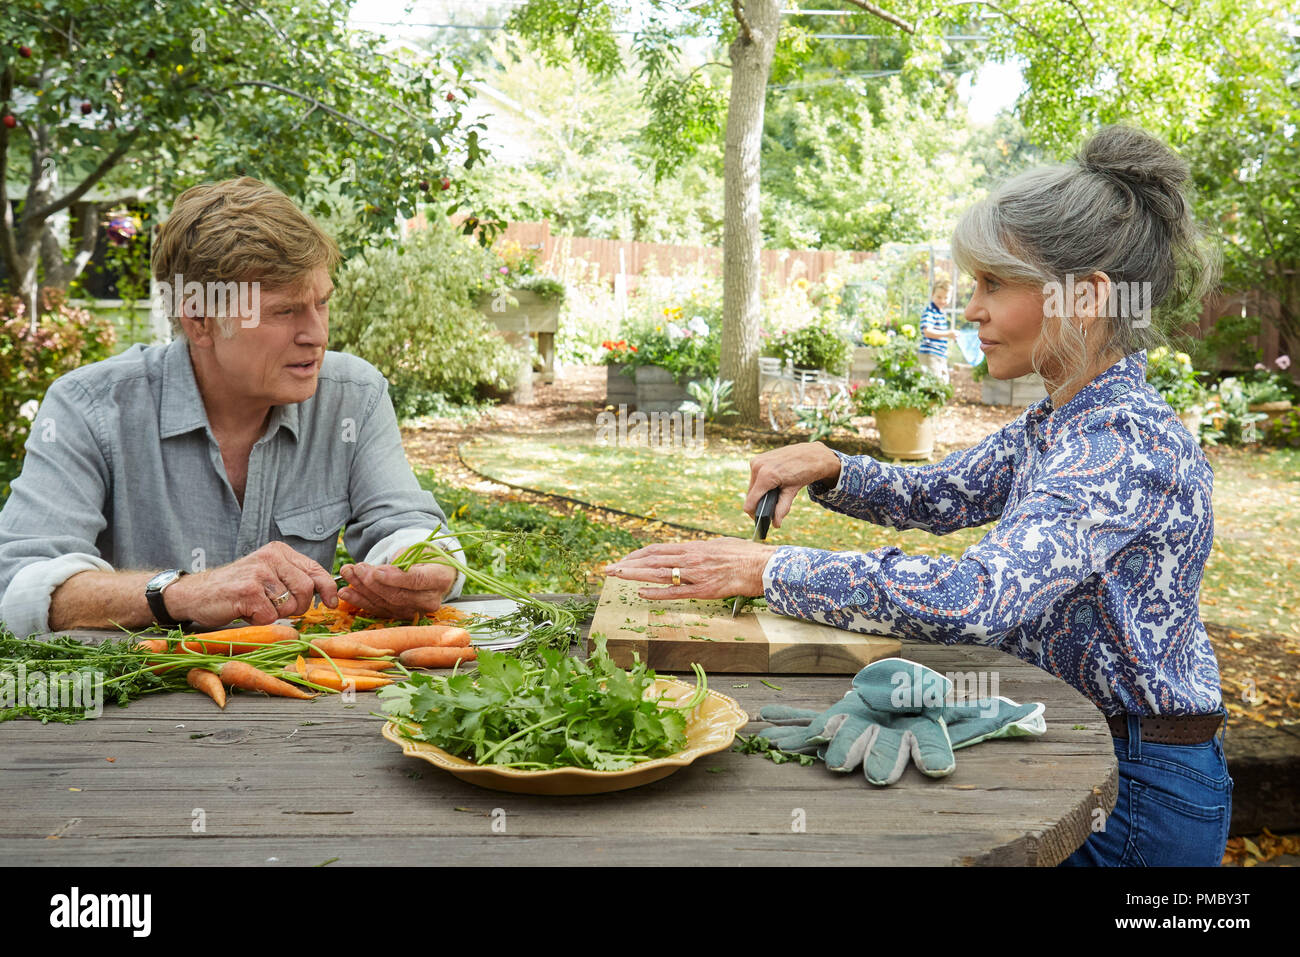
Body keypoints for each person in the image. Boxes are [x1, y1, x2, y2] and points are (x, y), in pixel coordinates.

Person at [605, 125, 1231, 867]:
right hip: (1081, 742)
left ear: (1086, 297)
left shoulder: (1119, 443)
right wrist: (833, 466)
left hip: (1138, 794)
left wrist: (765, 570)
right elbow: (943, 492)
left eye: (994, 283)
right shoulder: (1064, 418)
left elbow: (976, 595)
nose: (971, 310)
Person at [0, 177, 465, 637]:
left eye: (321, 303)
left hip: (303, 699)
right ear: (200, 321)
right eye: (284, 312)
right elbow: (18, 586)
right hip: (136, 698)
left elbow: (404, 524)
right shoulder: (91, 407)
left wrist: (422, 564)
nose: (317, 334)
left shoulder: (353, 395)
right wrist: (183, 594)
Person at [918, 279, 958, 384]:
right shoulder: (930, 311)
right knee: (934, 384)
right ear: (932, 295)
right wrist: (947, 334)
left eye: (946, 298)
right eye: (939, 297)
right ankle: (931, 400)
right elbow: (927, 331)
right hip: (930, 353)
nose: (942, 300)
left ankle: (937, 400)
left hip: (939, 354)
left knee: (943, 381)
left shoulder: (940, 312)